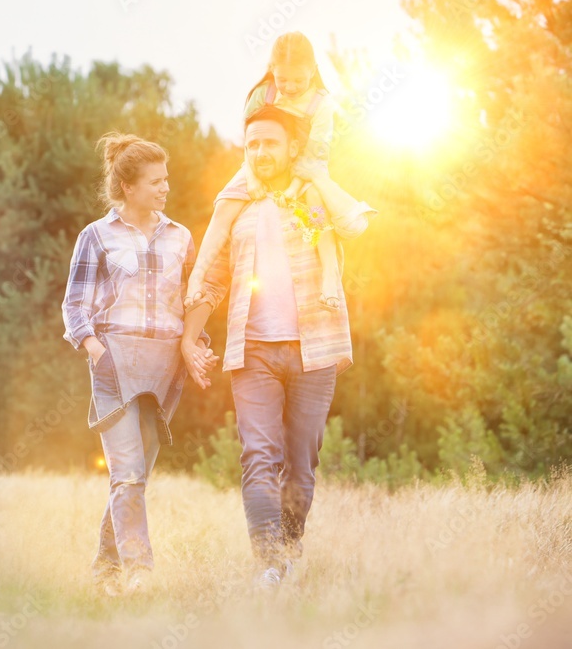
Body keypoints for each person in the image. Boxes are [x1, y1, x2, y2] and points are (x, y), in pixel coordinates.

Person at [181, 105, 376, 589]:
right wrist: (189, 335)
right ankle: (267, 563)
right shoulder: (238, 205)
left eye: (270, 143)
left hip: (316, 347)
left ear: (292, 147)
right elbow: (215, 278)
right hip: (253, 351)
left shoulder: (311, 196)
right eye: (252, 144)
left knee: (302, 460)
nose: (261, 152)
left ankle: (289, 552)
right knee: (258, 454)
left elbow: (353, 225)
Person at [62, 132, 215, 597]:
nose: (165, 188)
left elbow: (191, 300)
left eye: (166, 180)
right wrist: (95, 351)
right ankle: (138, 572)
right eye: (154, 181)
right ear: (128, 187)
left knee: (137, 474)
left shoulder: (181, 237)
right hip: (114, 360)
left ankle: (104, 569)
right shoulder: (97, 236)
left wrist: (196, 345)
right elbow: (74, 305)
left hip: (164, 365)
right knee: (127, 471)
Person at [187, 31, 346, 313]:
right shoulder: (264, 93)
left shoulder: (322, 104)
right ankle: (197, 276)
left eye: (299, 80)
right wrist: (251, 179)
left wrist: (294, 189)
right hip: (258, 160)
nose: (290, 86)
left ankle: (330, 276)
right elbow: (250, 142)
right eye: (283, 79)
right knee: (225, 203)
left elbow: (316, 154)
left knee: (316, 203)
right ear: (272, 70)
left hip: (306, 163)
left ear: (313, 71)